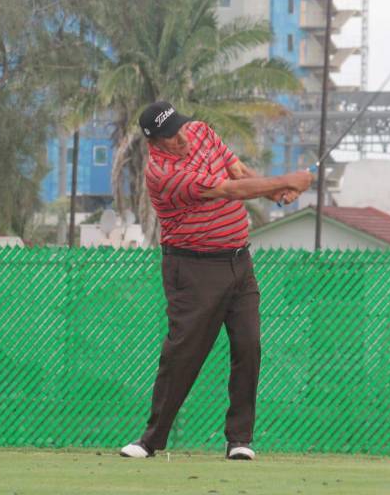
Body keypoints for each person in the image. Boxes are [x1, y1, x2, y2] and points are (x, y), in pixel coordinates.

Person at [120, 101, 313, 460]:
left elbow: (236, 171)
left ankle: (239, 439)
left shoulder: (200, 132)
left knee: (248, 345)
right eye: (171, 137)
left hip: (239, 262)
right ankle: (150, 440)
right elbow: (226, 190)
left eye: (179, 128)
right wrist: (287, 180)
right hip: (193, 270)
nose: (182, 139)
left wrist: (273, 191)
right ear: (154, 143)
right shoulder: (163, 174)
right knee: (183, 355)